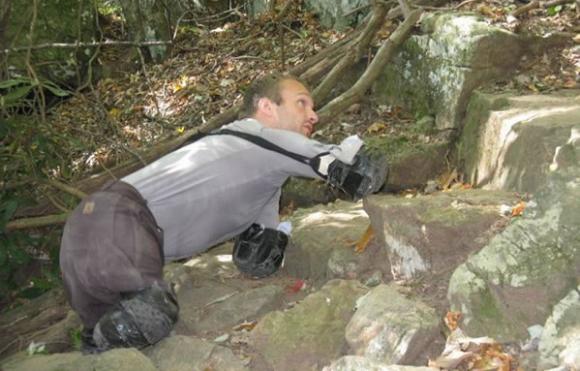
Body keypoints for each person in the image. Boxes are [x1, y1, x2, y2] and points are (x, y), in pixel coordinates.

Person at [59, 72, 387, 353]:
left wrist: (270, 242)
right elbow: (356, 170)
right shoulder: (261, 136)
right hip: (117, 218)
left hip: (91, 231)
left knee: (113, 335)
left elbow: (256, 260)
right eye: (302, 103)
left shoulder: (261, 169)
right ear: (267, 108)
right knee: (150, 314)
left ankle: (96, 340)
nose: (313, 115)